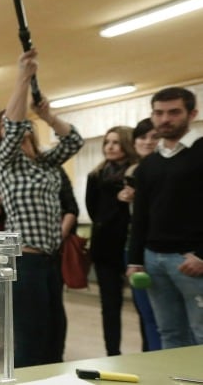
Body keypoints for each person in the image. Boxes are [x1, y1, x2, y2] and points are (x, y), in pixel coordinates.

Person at [0, 49, 84, 367]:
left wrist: (48, 117)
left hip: (49, 260)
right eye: (7, 123)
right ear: (0, 133)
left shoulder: (45, 164)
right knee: (31, 335)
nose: (16, 126)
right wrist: (22, 78)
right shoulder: (5, 163)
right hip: (24, 262)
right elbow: (14, 127)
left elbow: (74, 142)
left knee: (56, 332)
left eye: (19, 122)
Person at [127, 87, 203, 349]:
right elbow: (141, 216)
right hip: (153, 262)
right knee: (169, 333)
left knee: (201, 334)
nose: (165, 119)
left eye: (174, 112)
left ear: (192, 114)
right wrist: (135, 259)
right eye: (159, 113)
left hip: (191, 261)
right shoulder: (148, 164)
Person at [85, 126, 139, 356]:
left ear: (127, 144)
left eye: (116, 142)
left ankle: (151, 351)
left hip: (133, 248)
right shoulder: (95, 176)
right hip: (105, 248)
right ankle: (112, 354)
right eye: (107, 142)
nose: (110, 146)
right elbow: (92, 210)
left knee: (143, 306)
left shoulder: (138, 173)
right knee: (109, 307)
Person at [117, 117, 161, 351]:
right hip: (136, 250)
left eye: (155, 137)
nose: (148, 142)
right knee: (148, 315)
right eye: (143, 137)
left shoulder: (178, 168)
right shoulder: (134, 171)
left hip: (169, 249)